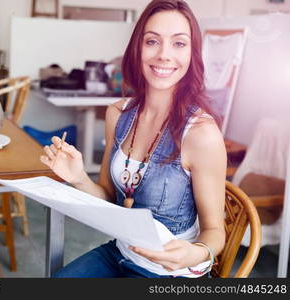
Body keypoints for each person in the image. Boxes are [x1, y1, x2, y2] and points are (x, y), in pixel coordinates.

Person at [40, 0, 226, 278]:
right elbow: (108, 197)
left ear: (192, 53)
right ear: (137, 48)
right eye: (152, 41)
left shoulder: (201, 133)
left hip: (169, 273)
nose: (164, 55)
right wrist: (78, 177)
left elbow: (215, 231)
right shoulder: (118, 113)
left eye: (178, 44)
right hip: (120, 253)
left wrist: (195, 252)